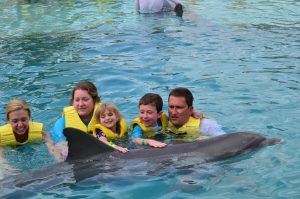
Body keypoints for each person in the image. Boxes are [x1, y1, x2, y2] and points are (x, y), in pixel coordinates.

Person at [50, 81, 101, 161]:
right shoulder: (62, 124)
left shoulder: (107, 119)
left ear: (94, 100)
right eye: (77, 100)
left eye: (85, 99)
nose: (80, 104)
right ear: (72, 102)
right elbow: (60, 146)